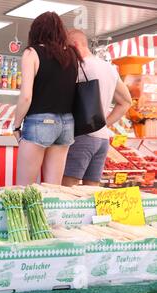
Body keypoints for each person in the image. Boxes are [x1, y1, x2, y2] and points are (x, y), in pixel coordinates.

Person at [12, 12, 81, 186]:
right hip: (66, 124)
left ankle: (26, 215)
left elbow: (26, 97)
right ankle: (51, 214)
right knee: (53, 189)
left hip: (39, 122)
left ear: (36, 31)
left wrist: (16, 124)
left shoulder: (32, 53)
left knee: (24, 188)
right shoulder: (72, 55)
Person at [62, 29, 132, 187]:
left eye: (65, 48)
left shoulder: (78, 67)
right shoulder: (109, 68)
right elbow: (126, 102)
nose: (64, 52)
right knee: (91, 192)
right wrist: (103, 123)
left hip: (81, 136)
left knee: (67, 188)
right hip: (102, 139)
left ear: (75, 44)